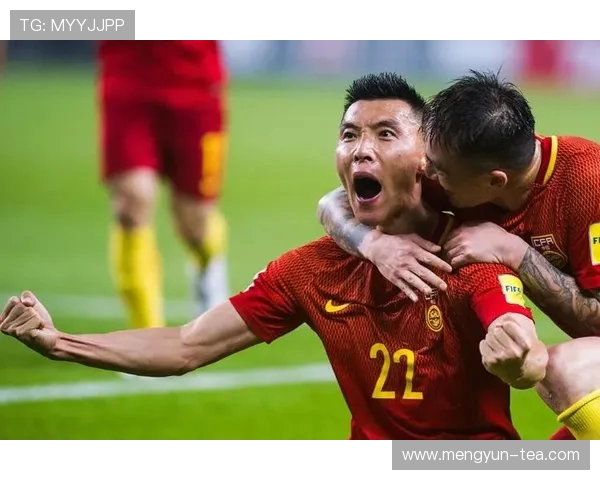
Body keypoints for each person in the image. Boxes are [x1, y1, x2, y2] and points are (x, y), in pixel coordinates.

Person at [0, 73, 547, 440]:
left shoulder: (469, 251)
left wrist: (518, 355)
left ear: (427, 157)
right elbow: (186, 345)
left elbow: (519, 341)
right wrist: (60, 343)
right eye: (349, 135)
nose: (362, 149)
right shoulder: (311, 271)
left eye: (386, 134)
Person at [316, 70, 600, 440]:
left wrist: (515, 252)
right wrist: (375, 245)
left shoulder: (587, 185)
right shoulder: (460, 167)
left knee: (565, 369)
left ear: (494, 181)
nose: (426, 170)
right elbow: (332, 203)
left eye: (438, 169)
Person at [98, 40, 230, 330]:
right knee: (131, 202)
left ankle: (208, 269)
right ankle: (147, 334)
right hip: (127, 77)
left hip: (196, 83)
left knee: (195, 223)